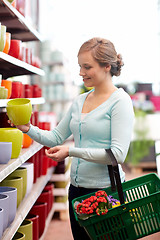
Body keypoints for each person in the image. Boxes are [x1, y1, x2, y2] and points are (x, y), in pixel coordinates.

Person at [9, 37, 134, 240]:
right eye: (79, 66)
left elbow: (117, 155)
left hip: (105, 193)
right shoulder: (79, 101)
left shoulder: (120, 102)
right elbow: (56, 136)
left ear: (106, 67)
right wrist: (27, 128)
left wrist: (71, 151)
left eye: (87, 67)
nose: (81, 73)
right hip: (77, 191)